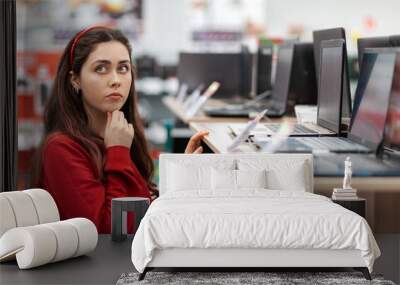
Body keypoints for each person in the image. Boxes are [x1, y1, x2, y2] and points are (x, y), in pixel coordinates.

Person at [31, 26, 209, 233]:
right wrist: (118, 152)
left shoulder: (121, 135)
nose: (115, 80)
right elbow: (109, 232)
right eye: (101, 69)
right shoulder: (61, 149)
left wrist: (181, 179)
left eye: (123, 68)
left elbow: (140, 215)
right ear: (75, 79)